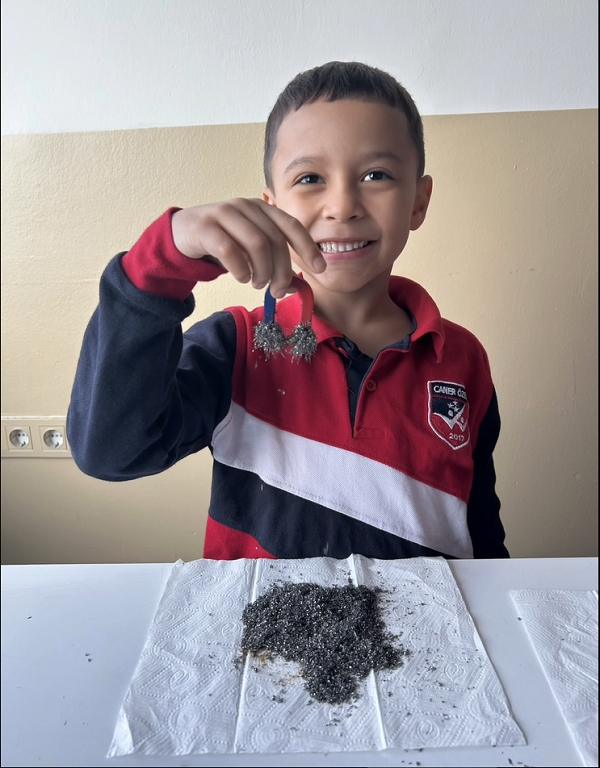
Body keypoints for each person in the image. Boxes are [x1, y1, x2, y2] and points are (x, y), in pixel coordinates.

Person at [67, 61, 509, 561]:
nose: (342, 206)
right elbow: (110, 451)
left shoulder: (463, 359)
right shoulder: (234, 346)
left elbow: (481, 533)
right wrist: (164, 262)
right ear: (272, 206)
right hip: (264, 616)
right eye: (310, 178)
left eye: (376, 175)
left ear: (418, 202)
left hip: (430, 614)